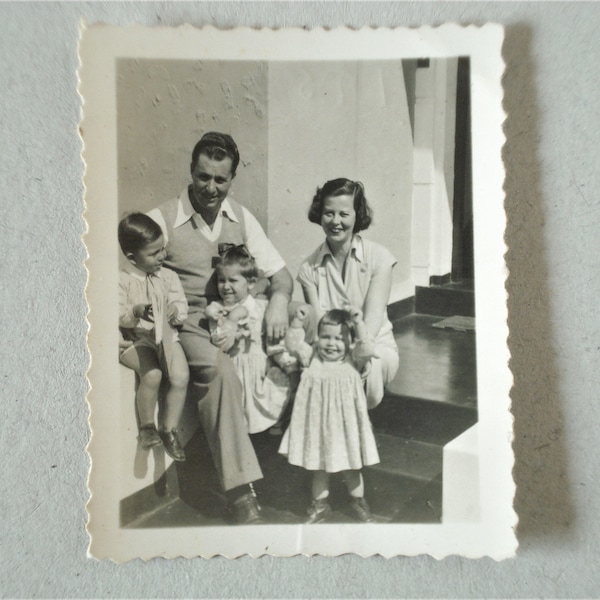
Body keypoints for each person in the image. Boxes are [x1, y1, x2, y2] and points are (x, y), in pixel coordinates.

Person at [147, 132, 314, 523]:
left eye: (220, 180)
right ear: (191, 172)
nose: (211, 188)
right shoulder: (164, 219)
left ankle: (309, 449)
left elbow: (282, 275)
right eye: (203, 177)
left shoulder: (240, 217)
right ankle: (240, 492)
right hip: (193, 323)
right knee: (220, 372)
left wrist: (276, 302)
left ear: (231, 179)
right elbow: (135, 271)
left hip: (243, 313)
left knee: (311, 321)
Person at [297, 178, 399, 409]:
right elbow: (320, 328)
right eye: (328, 213)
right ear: (319, 214)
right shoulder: (307, 269)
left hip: (373, 349)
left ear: (357, 215)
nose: (335, 222)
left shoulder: (380, 258)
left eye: (343, 214)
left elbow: (370, 328)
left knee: (360, 368)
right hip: (330, 348)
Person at [279, 308, 379, 523]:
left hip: (345, 428)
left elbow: (368, 347)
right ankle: (320, 506)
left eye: (339, 339)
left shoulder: (353, 361)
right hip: (318, 428)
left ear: (350, 342)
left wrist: (359, 324)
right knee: (319, 467)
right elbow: (292, 344)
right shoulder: (311, 358)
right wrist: (297, 322)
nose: (331, 344)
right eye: (325, 337)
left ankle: (358, 502)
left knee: (352, 467)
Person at [205, 245, 311, 435]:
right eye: (221, 281)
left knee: (277, 389)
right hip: (234, 367)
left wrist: (283, 361)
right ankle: (242, 436)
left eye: (233, 281)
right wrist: (231, 321)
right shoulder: (217, 310)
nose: (226, 286)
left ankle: (275, 424)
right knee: (237, 405)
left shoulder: (260, 308)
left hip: (259, 366)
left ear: (251, 283)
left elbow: (273, 341)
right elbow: (219, 342)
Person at [118, 212, 189, 462]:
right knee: (153, 374)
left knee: (181, 376)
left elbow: (182, 308)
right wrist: (136, 311)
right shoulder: (123, 280)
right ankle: (147, 427)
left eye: (163, 249)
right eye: (153, 253)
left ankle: (168, 429)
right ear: (131, 257)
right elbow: (118, 316)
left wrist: (174, 311)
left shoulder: (168, 277)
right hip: (139, 340)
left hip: (167, 337)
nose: (162, 256)